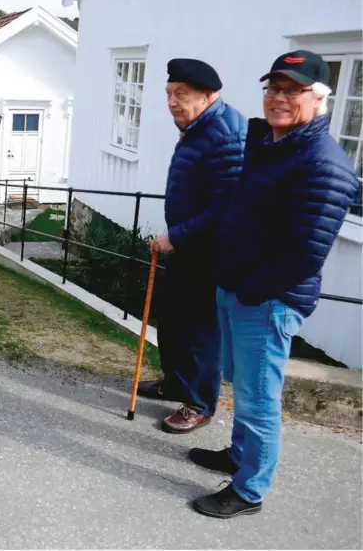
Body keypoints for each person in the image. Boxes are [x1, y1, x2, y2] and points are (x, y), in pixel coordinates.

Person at [190, 50, 359, 518]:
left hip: (267, 299)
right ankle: (239, 455)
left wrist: (249, 290)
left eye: (292, 90)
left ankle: (249, 490)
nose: (278, 98)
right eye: (273, 88)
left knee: (259, 398)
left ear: (319, 98)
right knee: (244, 386)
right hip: (239, 288)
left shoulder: (323, 164)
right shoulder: (270, 144)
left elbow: (304, 253)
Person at [138, 58, 247, 434]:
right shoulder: (197, 126)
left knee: (200, 330)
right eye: (169, 93)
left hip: (209, 252)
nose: (171, 101)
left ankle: (199, 403)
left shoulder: (226, 134)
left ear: (209, 95)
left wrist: (177, 236)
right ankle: (176, 382)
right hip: (185, 245)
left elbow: (226, 205)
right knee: (173, 320)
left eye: (181, 95)